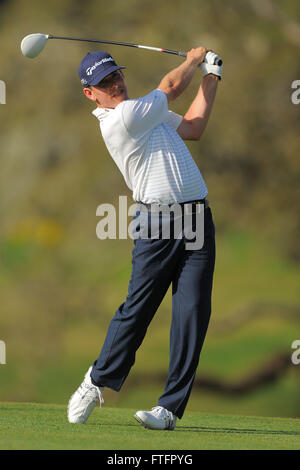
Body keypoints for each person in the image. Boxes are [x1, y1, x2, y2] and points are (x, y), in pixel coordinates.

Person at [67, 46, 222, 430]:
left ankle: (168, 409)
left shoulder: (144, 111)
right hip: (157, 224)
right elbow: (170, 86)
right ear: (91, 93)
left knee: (193, 312)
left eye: (115, 75)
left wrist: (212, 76)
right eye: (104, 82)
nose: (115, 83)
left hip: (197, 218)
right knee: (138, 309)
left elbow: (193, 127)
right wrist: (193, 58)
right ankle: (96, 379)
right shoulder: (121, 119)